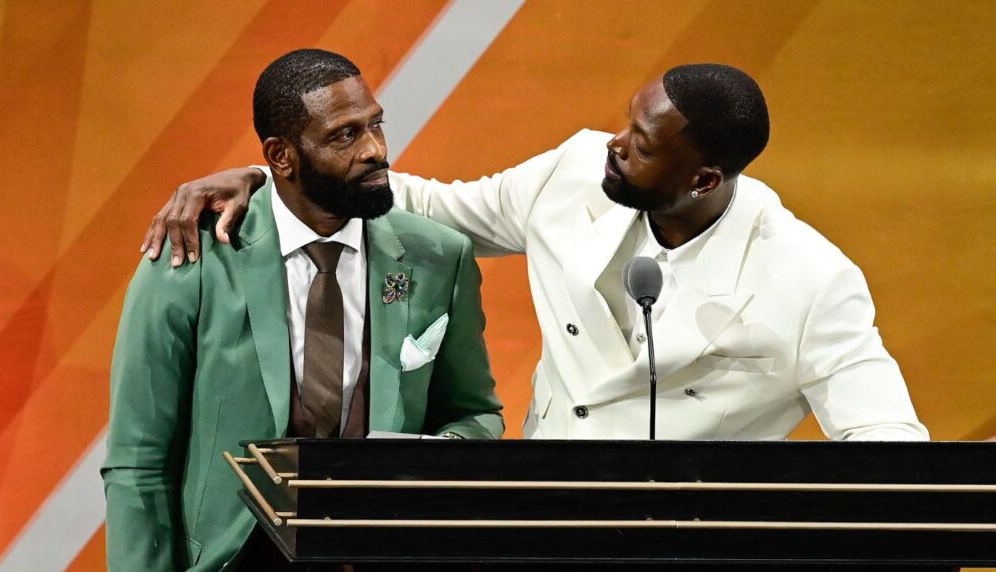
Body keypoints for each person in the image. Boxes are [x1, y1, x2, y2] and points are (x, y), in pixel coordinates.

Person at [141, 63, 927, 442]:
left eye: (642, 145)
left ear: (705, 176)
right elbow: (426, 205)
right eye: (626, 124)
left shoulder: (811, 279)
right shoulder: (574, 174)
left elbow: (885, 444)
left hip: (690, 550)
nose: (613, 146)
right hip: (540, 526)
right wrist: (270, 176)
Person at [103, 49, 503, 572]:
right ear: (281, 156)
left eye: (376, 125)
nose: (376, 150)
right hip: (232, 561)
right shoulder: (194, 259)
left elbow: (475, 415)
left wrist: (433, 461)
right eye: (345, 135)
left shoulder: (437, 257)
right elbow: (139, 459)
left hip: (380, 556)